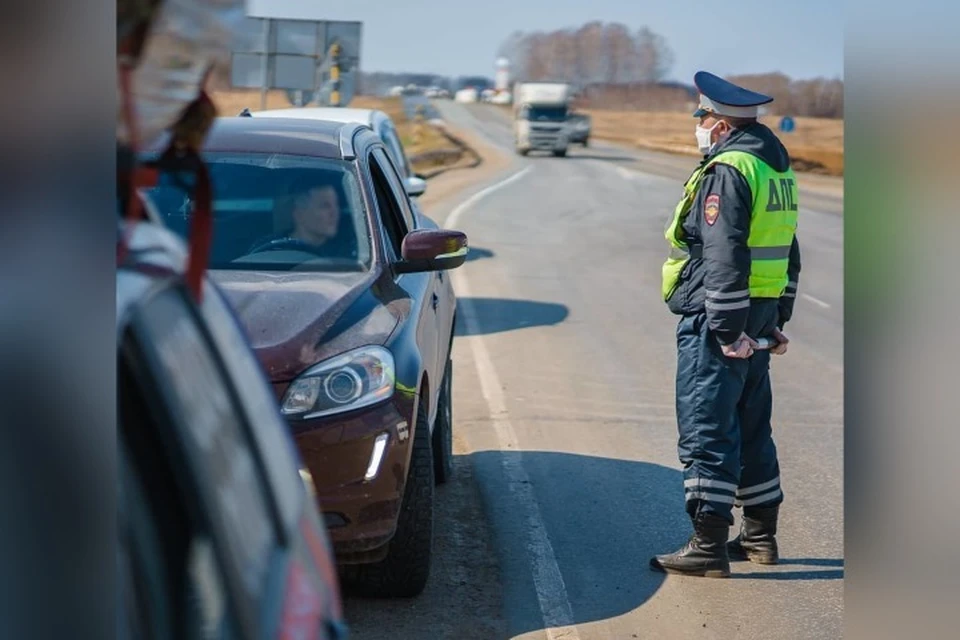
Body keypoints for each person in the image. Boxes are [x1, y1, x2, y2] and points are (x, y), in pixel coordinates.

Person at [650, 71, 802, 578]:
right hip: (757, 313)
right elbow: (787, 248)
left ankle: (707, 545)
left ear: (718, 123)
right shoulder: (774, 164)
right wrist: (776, 317)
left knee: (707, 425)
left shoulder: (729, 168)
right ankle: (760, 538)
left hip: (721, 317)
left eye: (702, 118)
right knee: (752, 426)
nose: (698, 127)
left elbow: (724, 253)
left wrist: (724, 329)